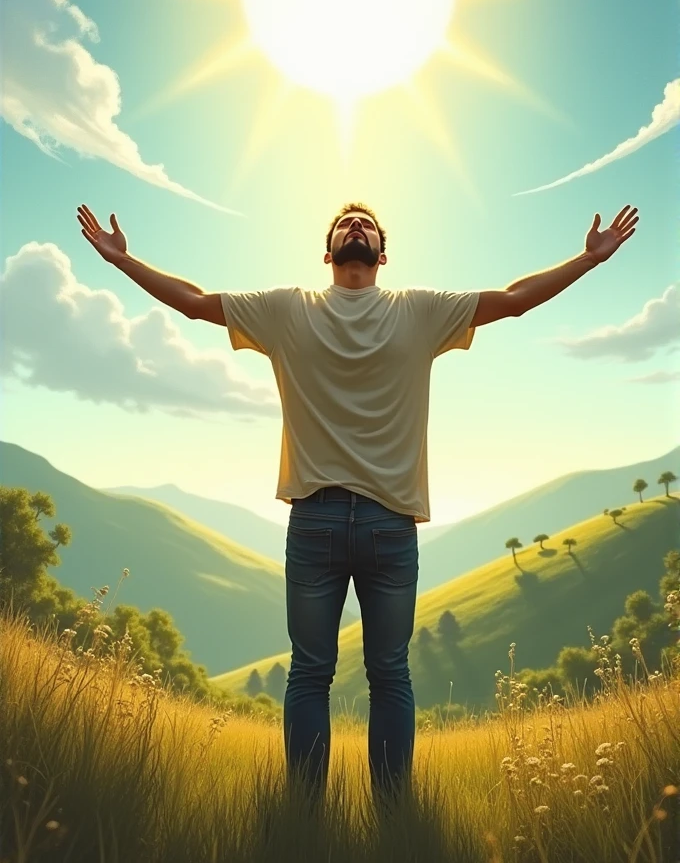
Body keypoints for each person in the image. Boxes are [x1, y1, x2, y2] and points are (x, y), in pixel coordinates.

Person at [76, 198, 638, 816]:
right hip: (319, 517)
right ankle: (310, 813)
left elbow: (513, 298)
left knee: (387, 676)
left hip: (386, 522)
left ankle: (390, 817)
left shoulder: (421, 309)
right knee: (315, 673)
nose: (356, 228)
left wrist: (588, 260)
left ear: (382, 253)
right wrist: (124, 262)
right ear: (329, 251)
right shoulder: (287, 308)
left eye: (367, 225)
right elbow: (198, 302)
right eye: (346, 224)